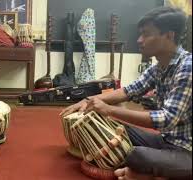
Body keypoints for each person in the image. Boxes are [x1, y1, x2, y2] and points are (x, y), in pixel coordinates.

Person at [60, 6, 192, 180]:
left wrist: (108, 109)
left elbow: (166, 120)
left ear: (169, 35)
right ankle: (153, 172)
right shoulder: (159, 67)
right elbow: (127, 91)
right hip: (166, 141)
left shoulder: (187, 67)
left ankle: (150, 175)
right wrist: (88, 100)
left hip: (187, 151)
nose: (139, 40)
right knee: (113, 128)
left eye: (146, 34)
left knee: (137, 155)